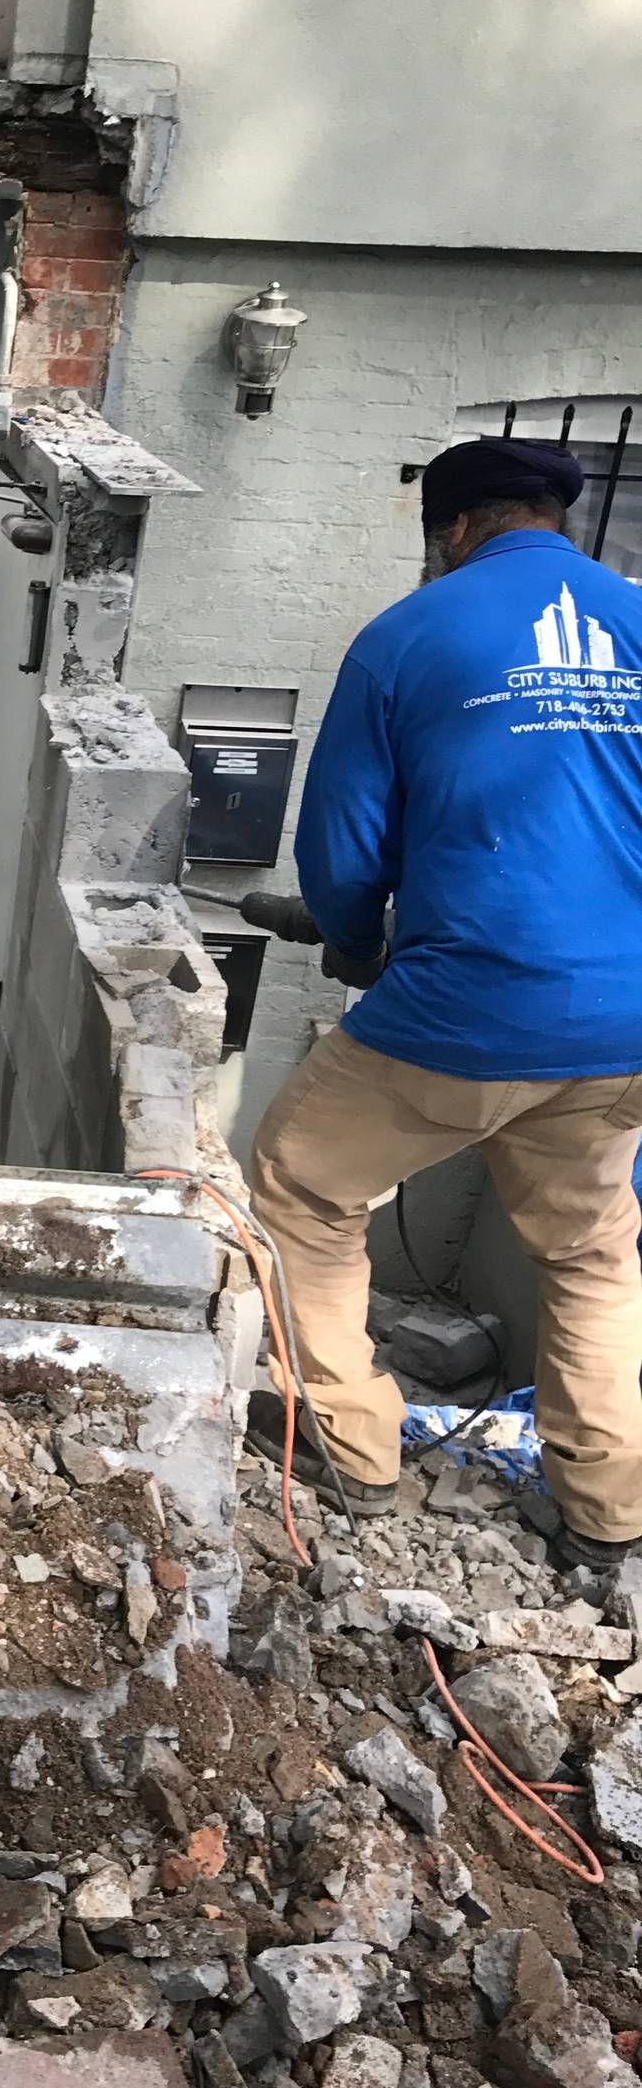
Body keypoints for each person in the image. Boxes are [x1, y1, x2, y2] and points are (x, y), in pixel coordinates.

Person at [250, 435, 642, 1572]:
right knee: (593, 1251)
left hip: (469, 1004)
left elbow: (340, 850)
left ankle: (355, 1446)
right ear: (554, 522)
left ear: (454, 531)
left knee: (302, 1180)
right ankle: (609, 1511)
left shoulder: (408, 636)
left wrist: (360, 945)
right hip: (626, 1024)